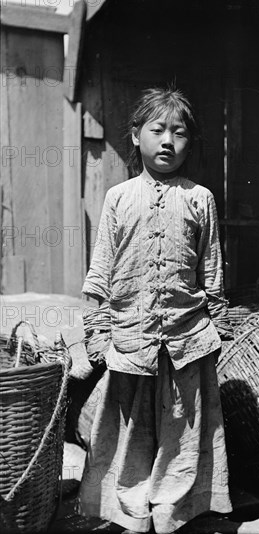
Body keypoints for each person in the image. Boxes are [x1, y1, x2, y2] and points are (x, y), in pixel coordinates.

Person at [77, 85, 234, 534]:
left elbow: (213, 273)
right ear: (135, 136)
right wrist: (97, 332)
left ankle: (171, 512)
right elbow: (100, 273)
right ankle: (131, 509)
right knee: (131, 433)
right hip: (130, 338)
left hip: (188, 339)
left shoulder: (199, 198)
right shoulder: (118, 198)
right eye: (157, 130)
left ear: (189, 142)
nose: (168, 141)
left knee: (182, 434)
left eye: (179, 133)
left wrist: (216, 328)